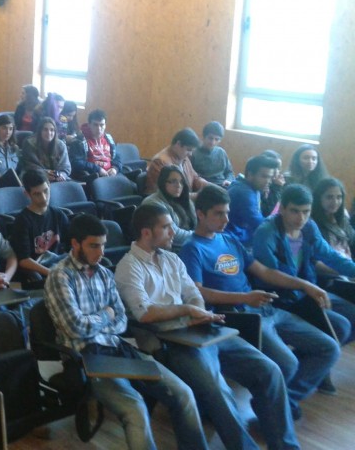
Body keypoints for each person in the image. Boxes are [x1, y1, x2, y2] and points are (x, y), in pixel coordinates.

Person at [115, 203, 299, 450]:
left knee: (270, 370)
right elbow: (145, 313)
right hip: (171, 341)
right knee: (218, 390)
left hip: (200, 330)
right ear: (146, 232)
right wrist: (187, 310)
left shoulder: (171, 258)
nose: (173, 232)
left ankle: (285, 446)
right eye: (166, 227)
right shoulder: (128, 267)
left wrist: (198, 312)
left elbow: (193, 293)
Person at [44, 214, 208, 450]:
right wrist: (106, 314)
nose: (101, 252)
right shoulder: (60, 276)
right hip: (86, 358)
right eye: (93, 246)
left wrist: (100, 320)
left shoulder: (104, 273)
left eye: (103, 245)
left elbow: (121, 321)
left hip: (117, 349)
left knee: (183, 393)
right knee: (135, 408)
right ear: (75, 244)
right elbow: (75, 328)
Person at [181, 185, 340, 416]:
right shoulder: (192, 248)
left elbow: (264, 272)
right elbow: (198, 292)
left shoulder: (229, 239)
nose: (226, 219)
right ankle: (275, 407)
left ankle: (282, 401)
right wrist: (245, 297)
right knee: (288, 363)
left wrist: (305, 284)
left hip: (265, 307)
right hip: (241, 314)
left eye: (227, 212)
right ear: (200, 214)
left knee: (329, 348)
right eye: (218, 213)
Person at [252, 184, 355, 358]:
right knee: (340, 326)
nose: (301, 218)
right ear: (282, 209)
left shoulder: (309, 227)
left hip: (306, 292)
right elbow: (269, 275)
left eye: (306, 211)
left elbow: (329, 255)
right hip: (280, 298)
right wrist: (305, 286)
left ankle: (314, 361)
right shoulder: (266, 232)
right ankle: (314, 360)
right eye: (295, 211)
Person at [11, 169, 70, 280]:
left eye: (46, 191)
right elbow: (24, 260)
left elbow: (72, 245)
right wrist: (51, 273)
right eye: (37, 194)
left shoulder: (58, 215)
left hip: (60, 265)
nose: (43, 198)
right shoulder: (22, 221)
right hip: (40, 270)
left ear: (49, 186)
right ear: (27, 194)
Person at [226, 154, 281, 247]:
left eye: (270, 177)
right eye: (264, 176)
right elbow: (260, 225)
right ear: (250, 174)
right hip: (234, 239)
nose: (268, 181)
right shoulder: (245, 193)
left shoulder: (242, 183)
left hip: (239, 235)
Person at [141, 165, 196, 249]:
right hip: (169, 248)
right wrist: (200, 236)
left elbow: (196, 223)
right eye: (174, 181)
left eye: (181, 182)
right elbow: (173, 234)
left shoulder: (184, 199)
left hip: (190, 243)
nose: (179, 185)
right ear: (163, 182)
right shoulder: (152, 203)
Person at [144, 128, 209, 196]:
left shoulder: (183, 157)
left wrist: (210, 186)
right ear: (178, 144)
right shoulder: (160, 162)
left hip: (185, 197)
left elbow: (195, 179)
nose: (190, 154)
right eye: (188, 150)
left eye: (192, 151)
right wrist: (194, 196)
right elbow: (164, 194)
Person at [72, 109, 122, 181]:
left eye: (102, 125)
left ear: (105, 125)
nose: (99, 129)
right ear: (89, 125)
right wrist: (98, 169)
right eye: (95, 125)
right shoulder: (79, 141)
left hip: (110, 174)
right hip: (93, 175)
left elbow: (117, 157)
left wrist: (115, 168)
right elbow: (76, 163)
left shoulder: (108, 138)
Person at [312, 177, 354, 259]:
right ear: (319, 198)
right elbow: (315, 258)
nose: (335, 202)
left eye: (339, 197)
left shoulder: (342, 218)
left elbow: (353, 240)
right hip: (329, 265)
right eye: (329, 197)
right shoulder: (313, 223)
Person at [20, 116, 70, 181]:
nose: (49, 133)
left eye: (52, 130)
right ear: (40, 131)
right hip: (35, 177)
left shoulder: (61, 145)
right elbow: (29, 165)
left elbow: (66, 166)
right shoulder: (29, 143)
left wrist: (62, 175)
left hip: (57, 179)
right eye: (45, 130)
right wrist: (44, 173)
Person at [190, 121, 234, 186]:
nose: (213, 142)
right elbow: (190, 175)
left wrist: (228, 180)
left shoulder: (221, 152)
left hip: (223, 185)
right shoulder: (194, 153)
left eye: (217, 139)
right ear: (203, 137)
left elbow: (229, 172)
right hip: (205, 186)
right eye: (210, 138)